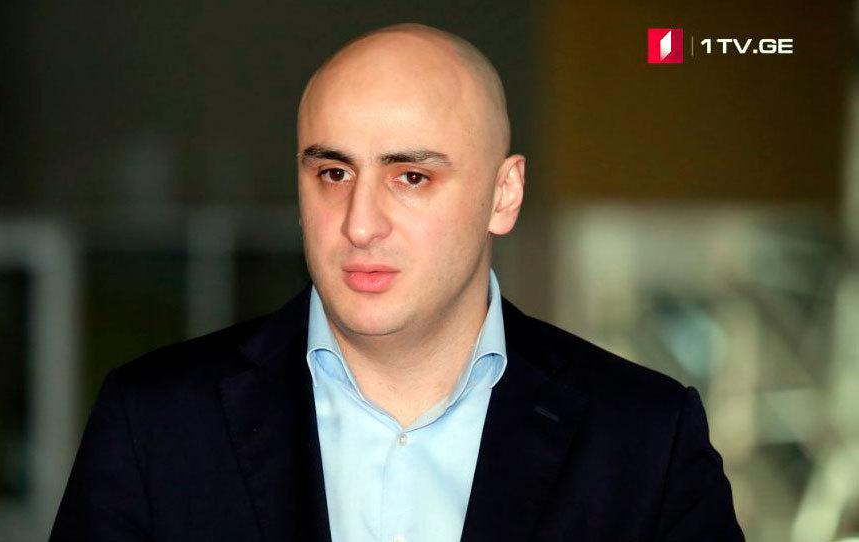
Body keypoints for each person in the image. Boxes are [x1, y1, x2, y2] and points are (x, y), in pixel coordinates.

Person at [50, 23, 744, 541]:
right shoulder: (157, 422)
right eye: (333, 173)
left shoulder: (642, 439)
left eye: (411, 177)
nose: (359, 224)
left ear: (503, 195)